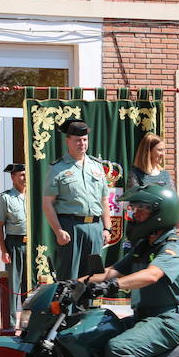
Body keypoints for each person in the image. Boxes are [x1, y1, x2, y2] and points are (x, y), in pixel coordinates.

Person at [81, 184, 179, 357]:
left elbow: (151, 275)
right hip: (143, 317)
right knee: (96, 338)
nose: (134, 213)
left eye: (141, 209)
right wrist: (71, 284)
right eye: (134, 208)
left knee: (119, 348)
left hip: (165, 320)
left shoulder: (172, 247)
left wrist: (115, 285)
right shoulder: (143, 245)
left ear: (159, 213)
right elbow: (110, 271)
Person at [42, 119, 111, 281]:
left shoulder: (96, 166)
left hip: (95, 228)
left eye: (85, 139)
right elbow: (47, 204)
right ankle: (67, 307)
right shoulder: (57, 168)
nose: (82, 143)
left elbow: (104, 201)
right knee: (69, 278)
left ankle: (89, 307)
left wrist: (107, 228)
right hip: (71, 228)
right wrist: (58, 230)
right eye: (77, 140)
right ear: (68, 141)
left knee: (92, 278)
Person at [0, 163, 27, 327]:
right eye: (21, 175)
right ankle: (11, 322)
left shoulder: (35, 196)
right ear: (13, 177)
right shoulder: (5, 198)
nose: (24, 178)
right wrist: (3, 250)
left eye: (26, 174)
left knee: (32, 284)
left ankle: (28, 321)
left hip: (33, 244)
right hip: (14, 243)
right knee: (14, 284)